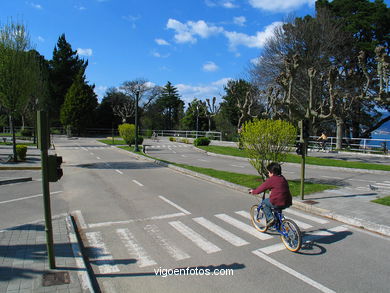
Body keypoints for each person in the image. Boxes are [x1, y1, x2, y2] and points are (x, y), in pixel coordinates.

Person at [249, 163, 292, 227]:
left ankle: (270, 219)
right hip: (287, 201)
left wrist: (253, 191)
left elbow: (260, 189)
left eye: (268, 172)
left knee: (264, 203)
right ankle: (279, 224)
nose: (268, 174)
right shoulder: (282, 178)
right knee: (277, 209)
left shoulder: (271, 180)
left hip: (277, 202)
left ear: (272, 173)